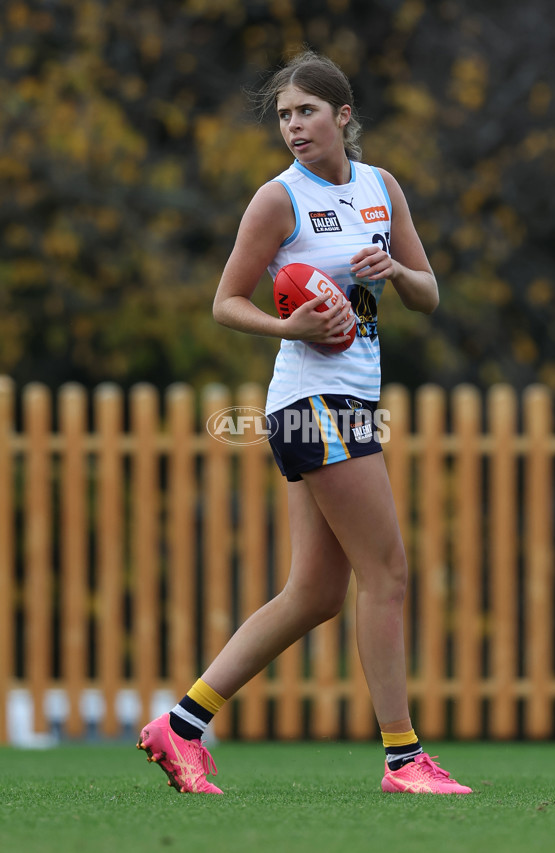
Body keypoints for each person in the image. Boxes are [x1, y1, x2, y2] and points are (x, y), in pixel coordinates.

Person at [137, 50, 472, 796]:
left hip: (353, 402)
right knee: (387, 572)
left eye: (306, 112)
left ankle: (181, 724)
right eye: (284, 115)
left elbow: (430, 293)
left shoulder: (382, 189)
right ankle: (403, 757)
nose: (293, 126)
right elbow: (226, 301)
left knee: (315, 593)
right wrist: (289, 330)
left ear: (342, 116)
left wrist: (397, 274)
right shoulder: (276, 199)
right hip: (309, 404)